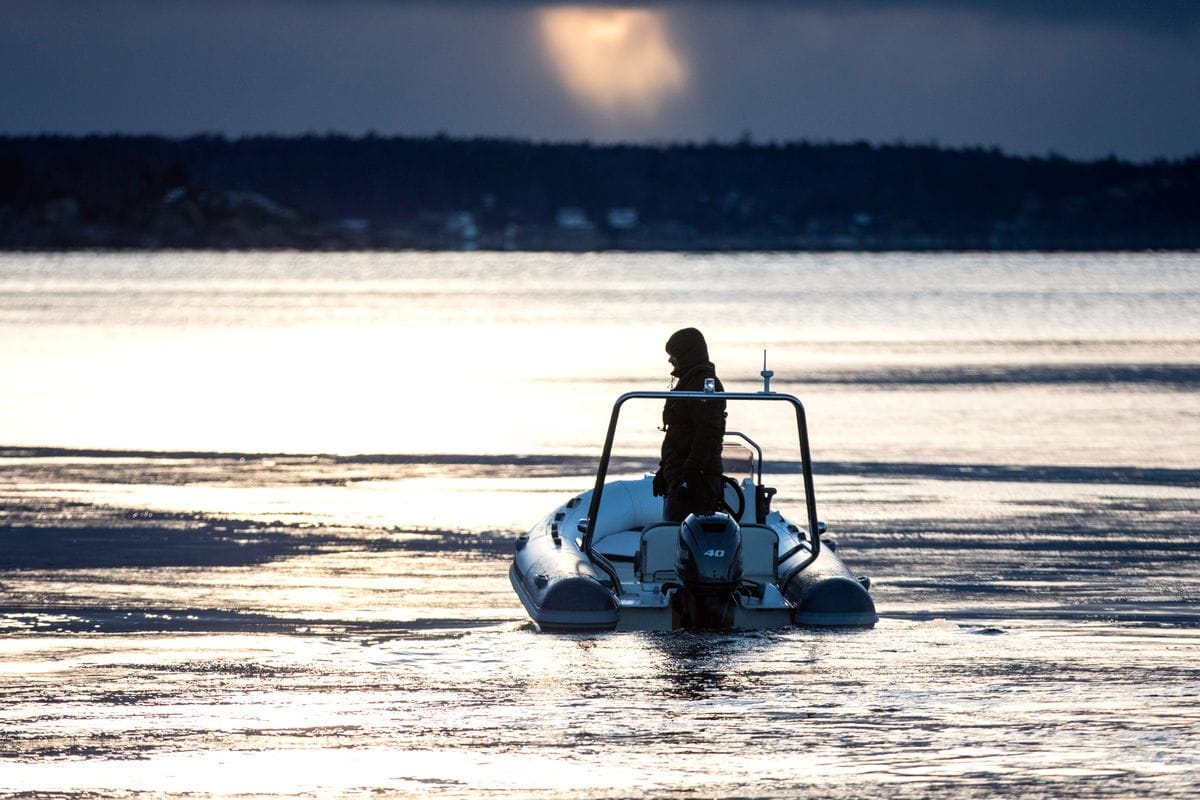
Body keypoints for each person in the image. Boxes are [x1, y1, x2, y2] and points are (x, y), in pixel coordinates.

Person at [652, 327, 726, 520]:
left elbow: (708, 431)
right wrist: (664, 469)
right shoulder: (688, 382)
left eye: (674, 354)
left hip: (696, 478)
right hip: (678, 471)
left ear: (686, 354)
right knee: (673, 525)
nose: (670, 360)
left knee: (684, 525)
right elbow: (679, 433)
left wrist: (692, 471)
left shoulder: (704, 384)